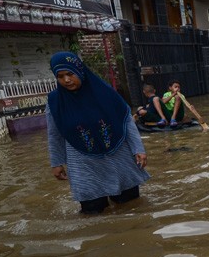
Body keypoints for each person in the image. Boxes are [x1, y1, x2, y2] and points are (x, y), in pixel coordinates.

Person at [47, 51, 149, 214]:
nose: (66, 80)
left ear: (79, 70)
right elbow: (54, 134)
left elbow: (126, 120)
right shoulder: (55, 101)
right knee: (92, 211)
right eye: (60, 76)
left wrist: (138, 149)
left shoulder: (105, 92)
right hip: (82, 161)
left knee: (131, 206)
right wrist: (56, 162)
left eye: (70, 74)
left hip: (117, 155)